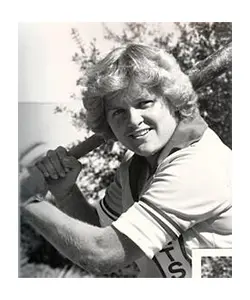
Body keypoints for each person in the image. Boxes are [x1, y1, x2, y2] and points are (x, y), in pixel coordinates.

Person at [20, 43, 232, 278]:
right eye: (118, 112)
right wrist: (67, 192)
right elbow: (99, 231)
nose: (133, 120)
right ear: (107, 122)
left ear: (172, 102)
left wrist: (25, 201)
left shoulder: (197, 165)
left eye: (144, 103)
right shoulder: (135, 164)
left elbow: (102, 254)